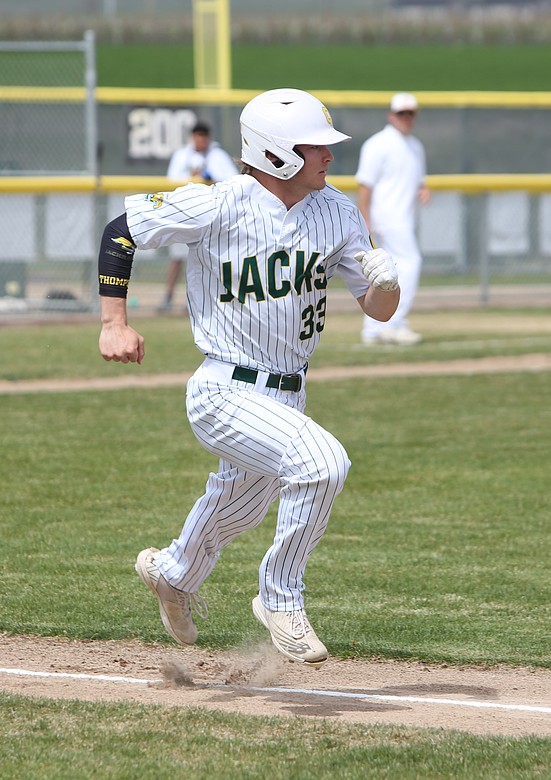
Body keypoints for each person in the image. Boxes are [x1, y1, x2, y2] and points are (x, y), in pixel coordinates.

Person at [96, 88, 401, 668]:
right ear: (278, 153)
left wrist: (387, 285)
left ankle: (172, 573)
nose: (329, 156)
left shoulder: (337, 211)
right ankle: (278, 596)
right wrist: (114, 323)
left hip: (289, 393)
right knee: (323, 462)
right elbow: (121, 228)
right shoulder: (218, 203)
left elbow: (378, 311)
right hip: (222, 389)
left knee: (239, 505)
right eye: (316, 147)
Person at [355, 92, 430, 346]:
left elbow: (417, 180)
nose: (407, 118)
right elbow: (365, 186)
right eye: (402, 113)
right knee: (411, 262)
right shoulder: (378, 144)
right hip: (386, 218)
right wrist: (364, 219)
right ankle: (395, 322)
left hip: (404, 218)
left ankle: (373, 329)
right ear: (391, 115)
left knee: (387, 271)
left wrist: (423, 190)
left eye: (411, 114)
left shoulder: (415, 146)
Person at [158, 121, 239, 313]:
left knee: (212, 258)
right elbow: (170, 179)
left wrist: (208, 175)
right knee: (177, 258)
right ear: (192, 137)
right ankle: (168, 296)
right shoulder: (182, 155)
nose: (200, 140)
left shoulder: (217, 155)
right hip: (185, 211)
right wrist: (191, 176)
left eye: (203, 136)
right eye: (197, 136)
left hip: (212, 214)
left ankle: (209, 299)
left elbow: (233, 178)